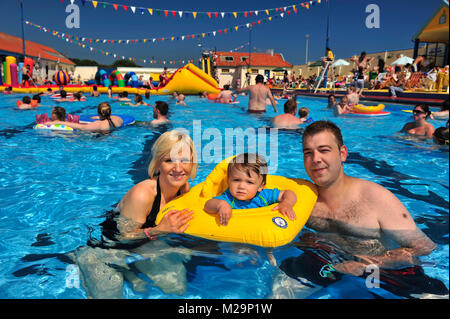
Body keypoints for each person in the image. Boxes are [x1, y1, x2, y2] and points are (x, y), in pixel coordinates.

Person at [271, 121, 443, 299]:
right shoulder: (301, 199)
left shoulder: (376, 198)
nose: (315, 159)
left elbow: (425, 248)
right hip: (326, 263)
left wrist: (371, 263)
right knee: (277, 294)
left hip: (382, 273)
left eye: (324, 150)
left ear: (342, 154)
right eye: (308, 153)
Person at [204, 153, 297, 226]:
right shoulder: (228, 198)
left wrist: (286, 203)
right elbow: (208, 204)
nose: (241, 186)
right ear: (228, 181)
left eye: (249, 182)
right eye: (236, 180)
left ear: (260, 186)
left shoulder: (264, 196)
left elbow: (288, 193)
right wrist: (221, 205)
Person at [45, 102, 123, 131]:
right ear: (111, 112)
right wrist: (99, 117)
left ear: (99, 113)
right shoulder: (118, 119)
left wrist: (59, 122)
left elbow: (81, 127)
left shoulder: (98, 124)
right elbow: (109, 117)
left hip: (100, 141)